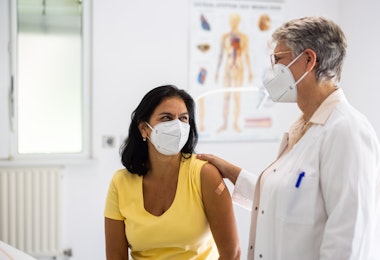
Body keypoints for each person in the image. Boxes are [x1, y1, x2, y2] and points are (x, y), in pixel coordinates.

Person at [197, 16, 380, 259]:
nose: (272, 70)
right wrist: (232, 172)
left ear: (308, 60)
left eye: (278, 60)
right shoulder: (304, 128)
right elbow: (288, 202)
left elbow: (349, 241)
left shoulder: (346, 131)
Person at [104, 85, 240, 259]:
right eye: (166, 118)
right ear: (144, 128)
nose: (176, 126)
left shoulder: (205, 174)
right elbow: (115, 256)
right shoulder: (120, 182)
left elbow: (232, 254)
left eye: (183, 118)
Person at [215, 12, 253, 133]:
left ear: (238, 22)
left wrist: (250, 71)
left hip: (239, 67)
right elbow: (220, 55)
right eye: (232, 20)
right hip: (228, 67)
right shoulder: (225, 37)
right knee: (226, 97)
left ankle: (235, 124)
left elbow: (246, 55)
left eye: (235, 20)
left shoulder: (244, 37)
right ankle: (225, 124)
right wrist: (216, 71)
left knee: (236, 97)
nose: (233, 23)